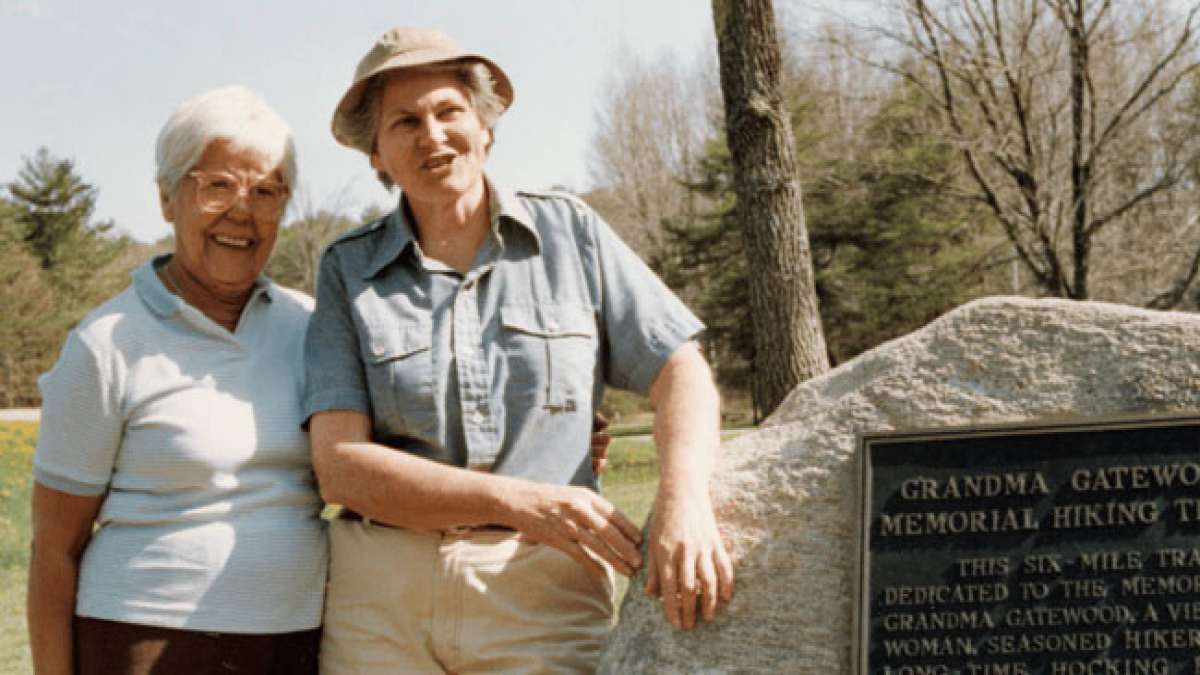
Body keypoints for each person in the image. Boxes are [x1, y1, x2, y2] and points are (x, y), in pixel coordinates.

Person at [305, 26, 735, 674]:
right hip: (381, 600)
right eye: (404, 122)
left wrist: (683, 497)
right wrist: (516, 500)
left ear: (485, 127)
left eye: (450, 110)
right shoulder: (347, 269)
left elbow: (680, 368)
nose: (432, 135)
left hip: (545, 591)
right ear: (377, 156)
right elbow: (340, 465)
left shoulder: (572, 235)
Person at [26, 86, 325, 675]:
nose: (243, 211)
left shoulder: (312, 328)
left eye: (266, 191)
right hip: (143, 643)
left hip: (294, 644)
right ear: (166, 199)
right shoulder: (108, 341)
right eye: (217, 186)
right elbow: (54, 550)